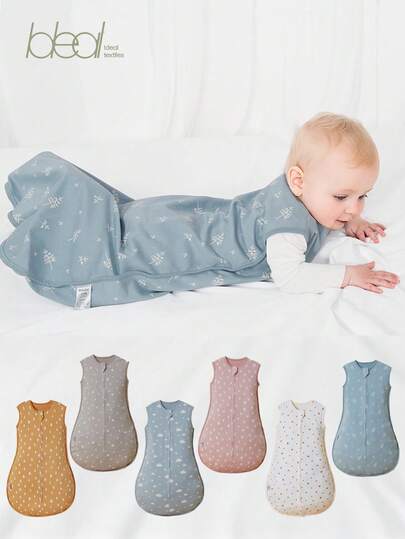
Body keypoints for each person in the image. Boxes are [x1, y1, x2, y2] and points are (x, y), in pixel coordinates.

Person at [0, 112, 399, 308]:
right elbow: (291, 276)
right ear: (298, 180)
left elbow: (327, 203)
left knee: (122, 220)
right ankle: (44, 238)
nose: (354, 207)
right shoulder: (287, 233)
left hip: (184, 215)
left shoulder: (302, 191)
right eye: (343, 197)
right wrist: (347, 275)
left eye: (363, 195)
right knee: (116, 250)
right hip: (179, 242)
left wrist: (350, 219)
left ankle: (60, 211)